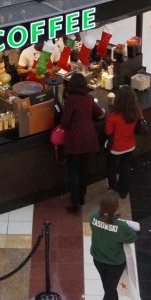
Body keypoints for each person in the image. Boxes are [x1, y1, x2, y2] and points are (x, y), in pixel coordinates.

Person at [90, 191, 136, 300]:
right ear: (115, 208)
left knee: (108, 286)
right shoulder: (121, 227)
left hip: (98, 259)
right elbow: (132, 237)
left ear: (100, 205)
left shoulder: (93, 218)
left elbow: (102, 225)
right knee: (110, 289)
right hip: (115, 263)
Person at [60, 71, 104, 214]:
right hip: (89, 139)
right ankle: (82, 198)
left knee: (73, 172)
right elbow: (99, 113)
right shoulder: (89, 98)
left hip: (75, 141)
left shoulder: (70, 100)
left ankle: (75, 202)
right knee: (83, 171)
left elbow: (65, 122)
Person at [104, 86, 142, 199]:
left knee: (111, 167)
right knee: (125, 167)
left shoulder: (114, 115)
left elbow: (108, 131)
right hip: (130, 145)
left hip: (116, 148)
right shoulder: (137, 111)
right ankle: (123, 191)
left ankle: (113, 189)